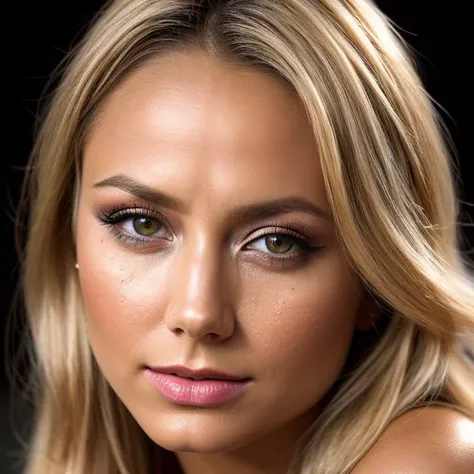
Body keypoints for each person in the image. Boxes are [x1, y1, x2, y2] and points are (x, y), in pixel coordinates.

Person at [16, 0, 474, 473]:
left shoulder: (429, 460)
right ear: (68, 236)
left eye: (278, 243)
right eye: (141, 224)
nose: (198, 314)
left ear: (375, 279)